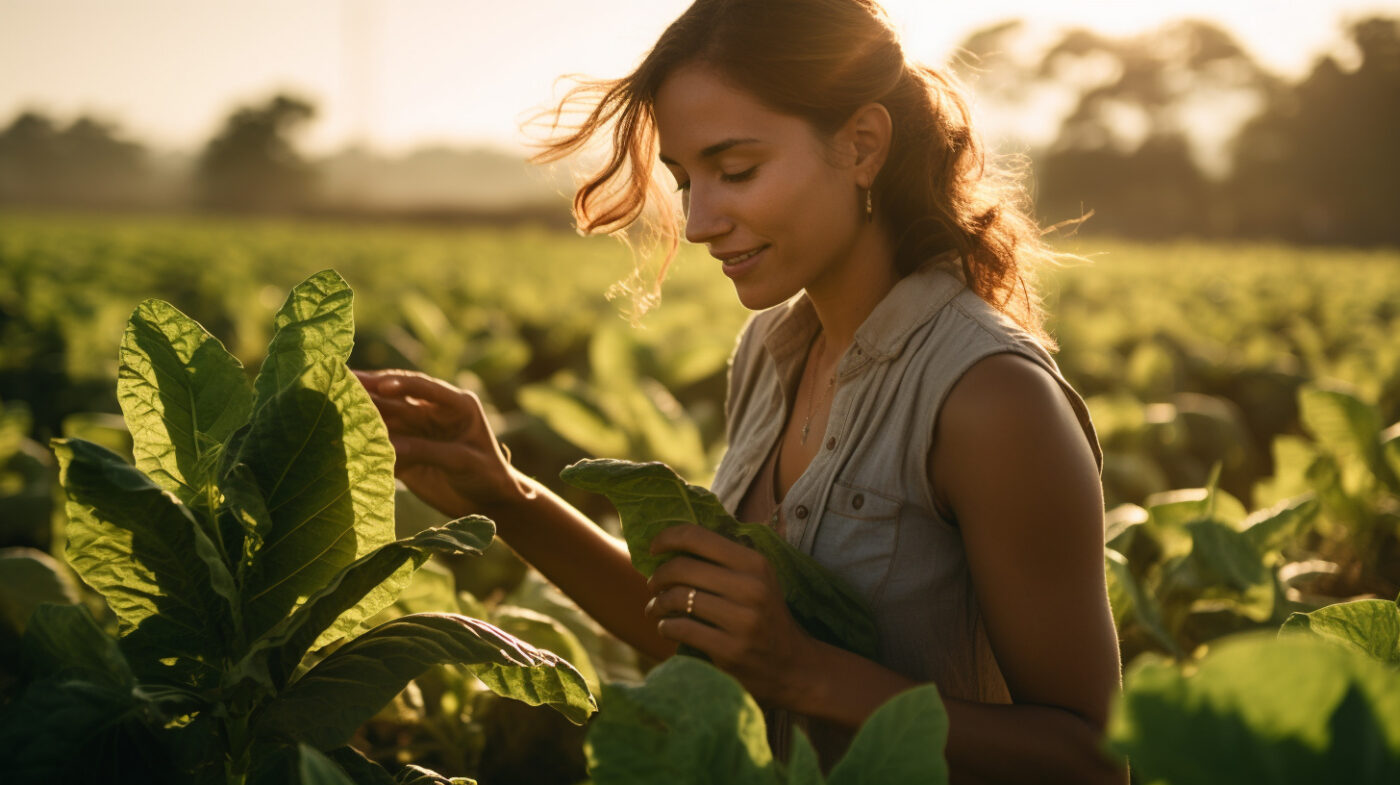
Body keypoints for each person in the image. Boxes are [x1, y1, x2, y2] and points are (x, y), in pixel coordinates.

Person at [356, 0, 1124, 781]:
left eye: (737, 170)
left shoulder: (991, 400)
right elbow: (704, 638)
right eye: (687, 180)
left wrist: (805, 672)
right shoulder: (771, 349)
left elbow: (1092, 761)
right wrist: (506, 494)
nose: (697, 220)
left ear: (862, 146)